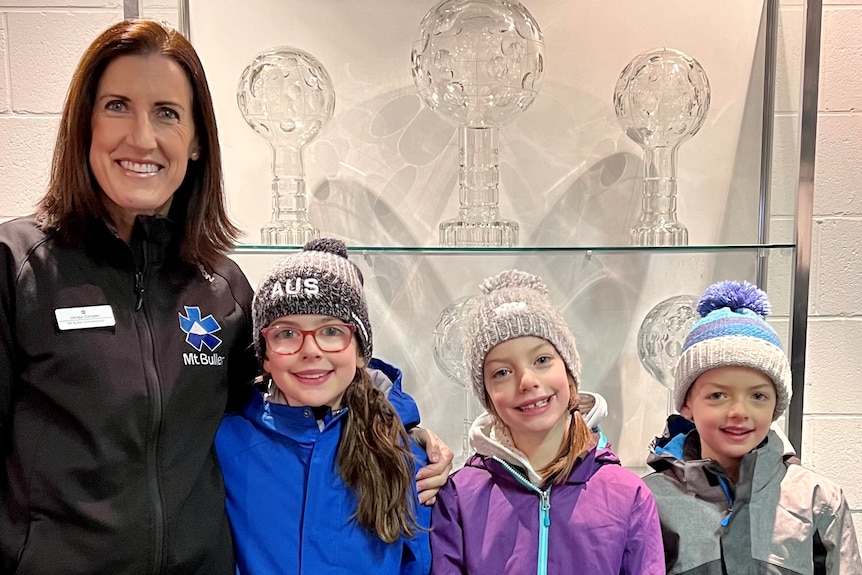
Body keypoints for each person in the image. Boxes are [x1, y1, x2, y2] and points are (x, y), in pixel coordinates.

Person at [0, 20, 450, 574]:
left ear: (194, 142)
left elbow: (295, 378)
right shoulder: (18, 266)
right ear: (83, 123)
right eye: (117, 105)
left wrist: (401, 427)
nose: (142, 137)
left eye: (167, 112)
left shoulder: (221, 287)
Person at [216, 238, 431, 574]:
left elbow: (417, 563)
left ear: (360, 352)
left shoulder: (403, 453)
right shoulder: (225, 442)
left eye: (331, 331)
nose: (310, 350)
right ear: (265, 357)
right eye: (286, 333)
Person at [430, 269, 665, 574]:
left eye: (541, 360)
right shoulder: (459, 497)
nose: (527, 381)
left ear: (569, 371)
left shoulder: (627, 494)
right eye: (502, 372)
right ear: (487, 395)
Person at [644, 280, 862, 574]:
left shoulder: (818, 499)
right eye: (717, 395)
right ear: (686, 405)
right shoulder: (649, 499)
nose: (738, 412)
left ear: (776, 406)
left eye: (757, 396)